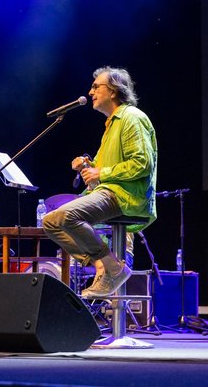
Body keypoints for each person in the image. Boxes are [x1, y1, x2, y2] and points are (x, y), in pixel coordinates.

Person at [43, 66, 157, 299]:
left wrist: (100, 173)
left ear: (114, 90)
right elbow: (104, 167)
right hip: (109, 191)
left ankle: (112, 267)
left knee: (66, 216)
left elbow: (142, 163)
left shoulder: (132, 118)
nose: (91, 91)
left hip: (124, 195)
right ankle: (104, 266)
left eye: (96, 86)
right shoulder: (112, 124)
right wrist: (88, 165)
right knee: (50, 221)